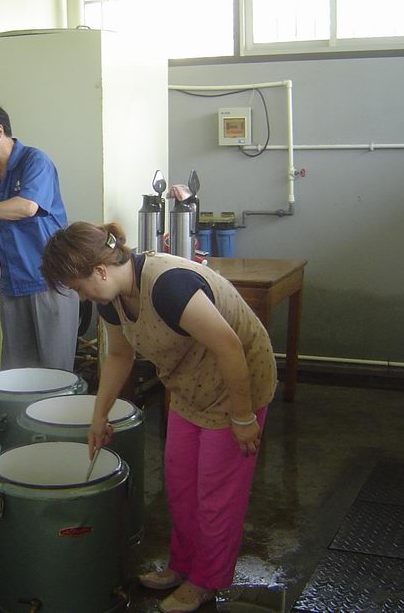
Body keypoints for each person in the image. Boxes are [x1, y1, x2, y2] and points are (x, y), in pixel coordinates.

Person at [41, 221, 276, 613]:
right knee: (180, 482)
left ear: (100, 270)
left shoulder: (170, 286)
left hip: (236, 385)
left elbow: (230, 347)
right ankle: (182, 565)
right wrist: (99, 416)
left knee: (216, 495)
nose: (81, 296)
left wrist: (242, 417)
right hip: (189, 384)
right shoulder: (111, 298)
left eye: (79, 287)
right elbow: (120, 355)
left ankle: (206, 581)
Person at [0, 100, 79, 371]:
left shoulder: (35, 161)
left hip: (48, 281)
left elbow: (27, 207)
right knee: (17, 372)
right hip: (12, 285)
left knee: (55, 373)